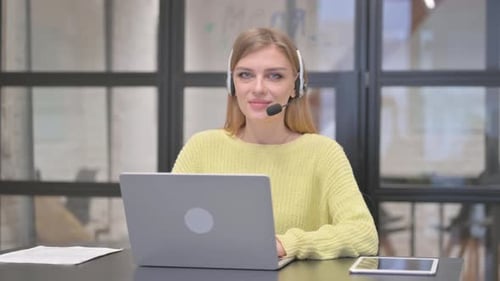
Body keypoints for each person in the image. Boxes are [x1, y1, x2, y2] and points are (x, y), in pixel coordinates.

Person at [172, 27, 378, 260]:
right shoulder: (202, 147)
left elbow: (364, 235)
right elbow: (168, 227)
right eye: (245, 75)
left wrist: (285, 244)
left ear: (295, 86)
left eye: (274, 76)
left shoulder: (324, 153)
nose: (258, 89)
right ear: (232, 84)